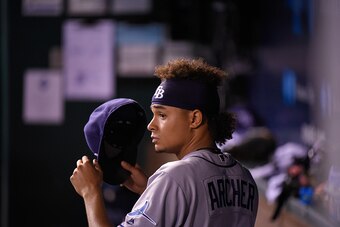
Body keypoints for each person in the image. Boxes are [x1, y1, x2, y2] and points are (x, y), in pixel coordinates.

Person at [70, 58, 259, 227]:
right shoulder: (244, 177)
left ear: (194, 119)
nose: (151, 125)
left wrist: (91, 193)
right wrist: (151, 191)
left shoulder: (175, 176)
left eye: (162, 115)